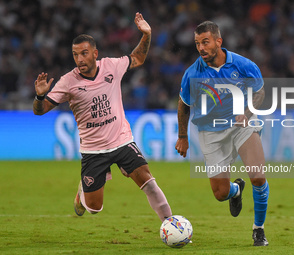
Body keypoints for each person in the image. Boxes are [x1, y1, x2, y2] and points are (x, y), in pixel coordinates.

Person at [33, 13, 172, 222]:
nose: (79, 59)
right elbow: (40, 109)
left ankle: (171, 224)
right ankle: (82, 193)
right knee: (94, 208)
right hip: (93, 149)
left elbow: (138, 58)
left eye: (84, 53)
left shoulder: (112, 66)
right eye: (75, 54)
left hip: (121, 140)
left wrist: (146, 34)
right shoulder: (68, 82)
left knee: (148, 180)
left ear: (95, 53)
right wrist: (40, 95)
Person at [175, 21, 269, 246]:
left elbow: (259, 92)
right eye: (197, 43)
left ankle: (259, 230)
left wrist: (246, 113)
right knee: (220, 193)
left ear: (219, 41)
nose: (201, 48)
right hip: (210, 132)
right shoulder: (192, 74)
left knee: (257, 176)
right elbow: (183, 105)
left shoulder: (243, 65)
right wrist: (183, 137)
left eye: (205, 42)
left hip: (241, 125)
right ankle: (236, 191)